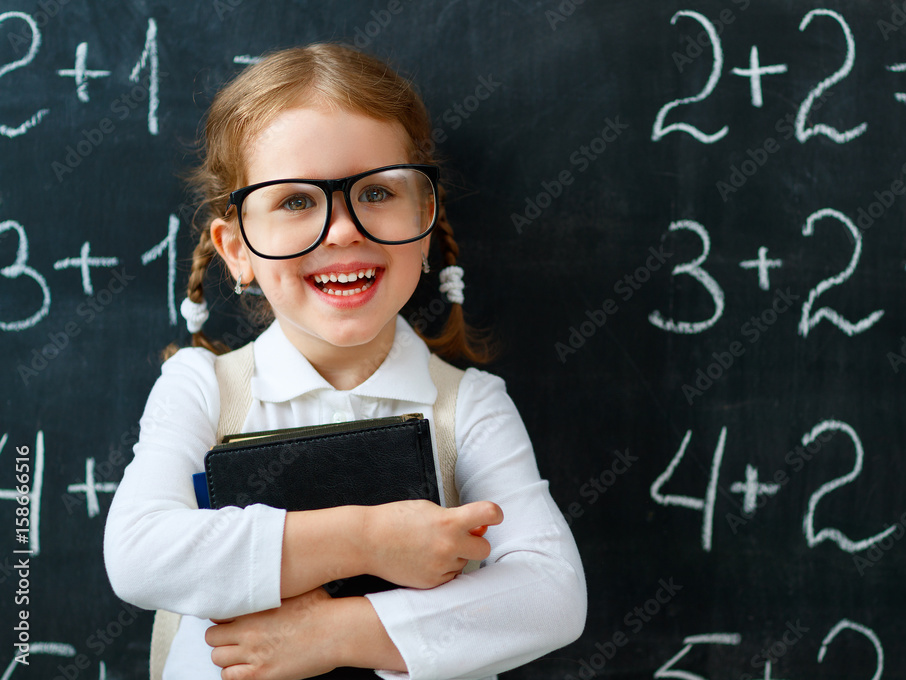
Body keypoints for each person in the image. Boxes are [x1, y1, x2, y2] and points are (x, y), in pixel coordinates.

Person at [103, 43, 586, 680]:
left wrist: (335, 633)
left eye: (377, 191)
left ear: (424, 217)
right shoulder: (205, 390)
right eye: (296, 201)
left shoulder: (468, 406)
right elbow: (140, 555)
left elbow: (552, 596)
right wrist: (369, 542)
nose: (342, 230)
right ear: (236, 249)